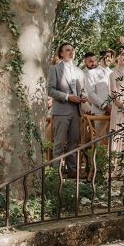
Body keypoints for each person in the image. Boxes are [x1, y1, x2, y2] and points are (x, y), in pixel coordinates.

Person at [47, 43, 86, 176]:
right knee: (58, 143)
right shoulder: (55, 69)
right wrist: (68, 97)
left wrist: (84, 96)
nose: (71, 52)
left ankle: (73, 173)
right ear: (61, 53)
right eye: (67, 50)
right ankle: (55, 174)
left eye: (72, 50)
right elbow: (50, 90)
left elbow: (82, 90)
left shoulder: (79, 71)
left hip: (77, 111)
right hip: (61, 112)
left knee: (74, 144)